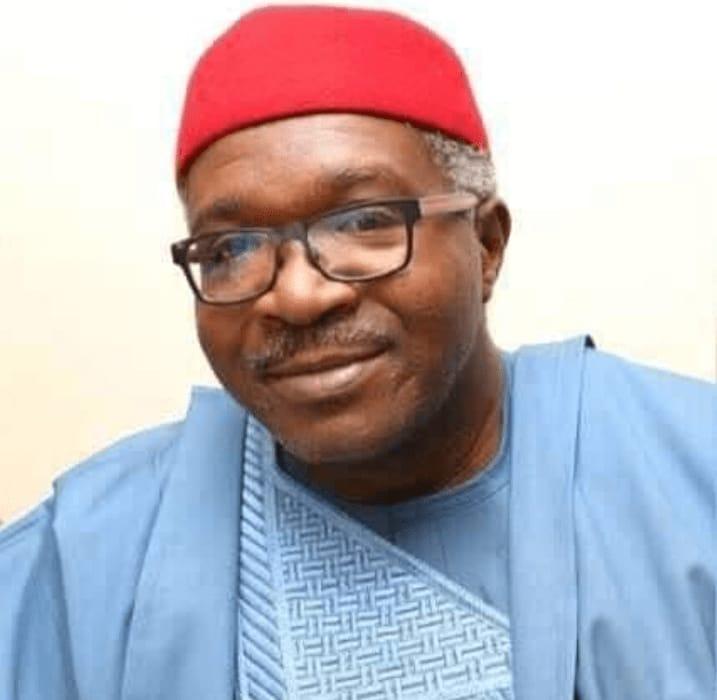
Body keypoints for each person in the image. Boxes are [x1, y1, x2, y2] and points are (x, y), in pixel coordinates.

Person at [1, 6, 713, 699]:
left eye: (364, 221)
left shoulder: (690, 478)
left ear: (486, 244)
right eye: (232, 248)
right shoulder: (85, 560)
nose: (298, 296)